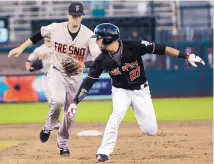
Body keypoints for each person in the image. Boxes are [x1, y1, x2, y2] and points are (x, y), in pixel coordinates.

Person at [66, 23, 205, 162]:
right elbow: (88, 82)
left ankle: (139, 113)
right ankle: (103, 152)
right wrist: (75, 102)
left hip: (141, 91)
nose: (96, 41)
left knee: (151, 130)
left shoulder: (133, 46)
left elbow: (160, 49)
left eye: (99, 38)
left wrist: (186, 56)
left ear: (108, 39)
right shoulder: (101, 60)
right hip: (121, 91)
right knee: (116, 114)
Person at [8, 1, 101, 156]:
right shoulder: (56, 28)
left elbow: (98, 58)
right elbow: (39, 35)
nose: (76, 18)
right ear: (68, 15)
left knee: (70, 114)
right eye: (74, 15)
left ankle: (63, 144)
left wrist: (84, 65)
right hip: (57, 71)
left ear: (82, 17)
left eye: (79, 15)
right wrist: (21, 48)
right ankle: (48, 126)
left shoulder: (88, 35)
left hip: (75, 77)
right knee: (57, 100)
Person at [25, 37, 60, 130]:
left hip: (58, 76)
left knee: (59, 99)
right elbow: (29, 61)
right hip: (46, 76)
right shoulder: (39, 49)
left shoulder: (58, 47)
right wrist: (29, 67)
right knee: (51, 99)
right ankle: (54, 121)